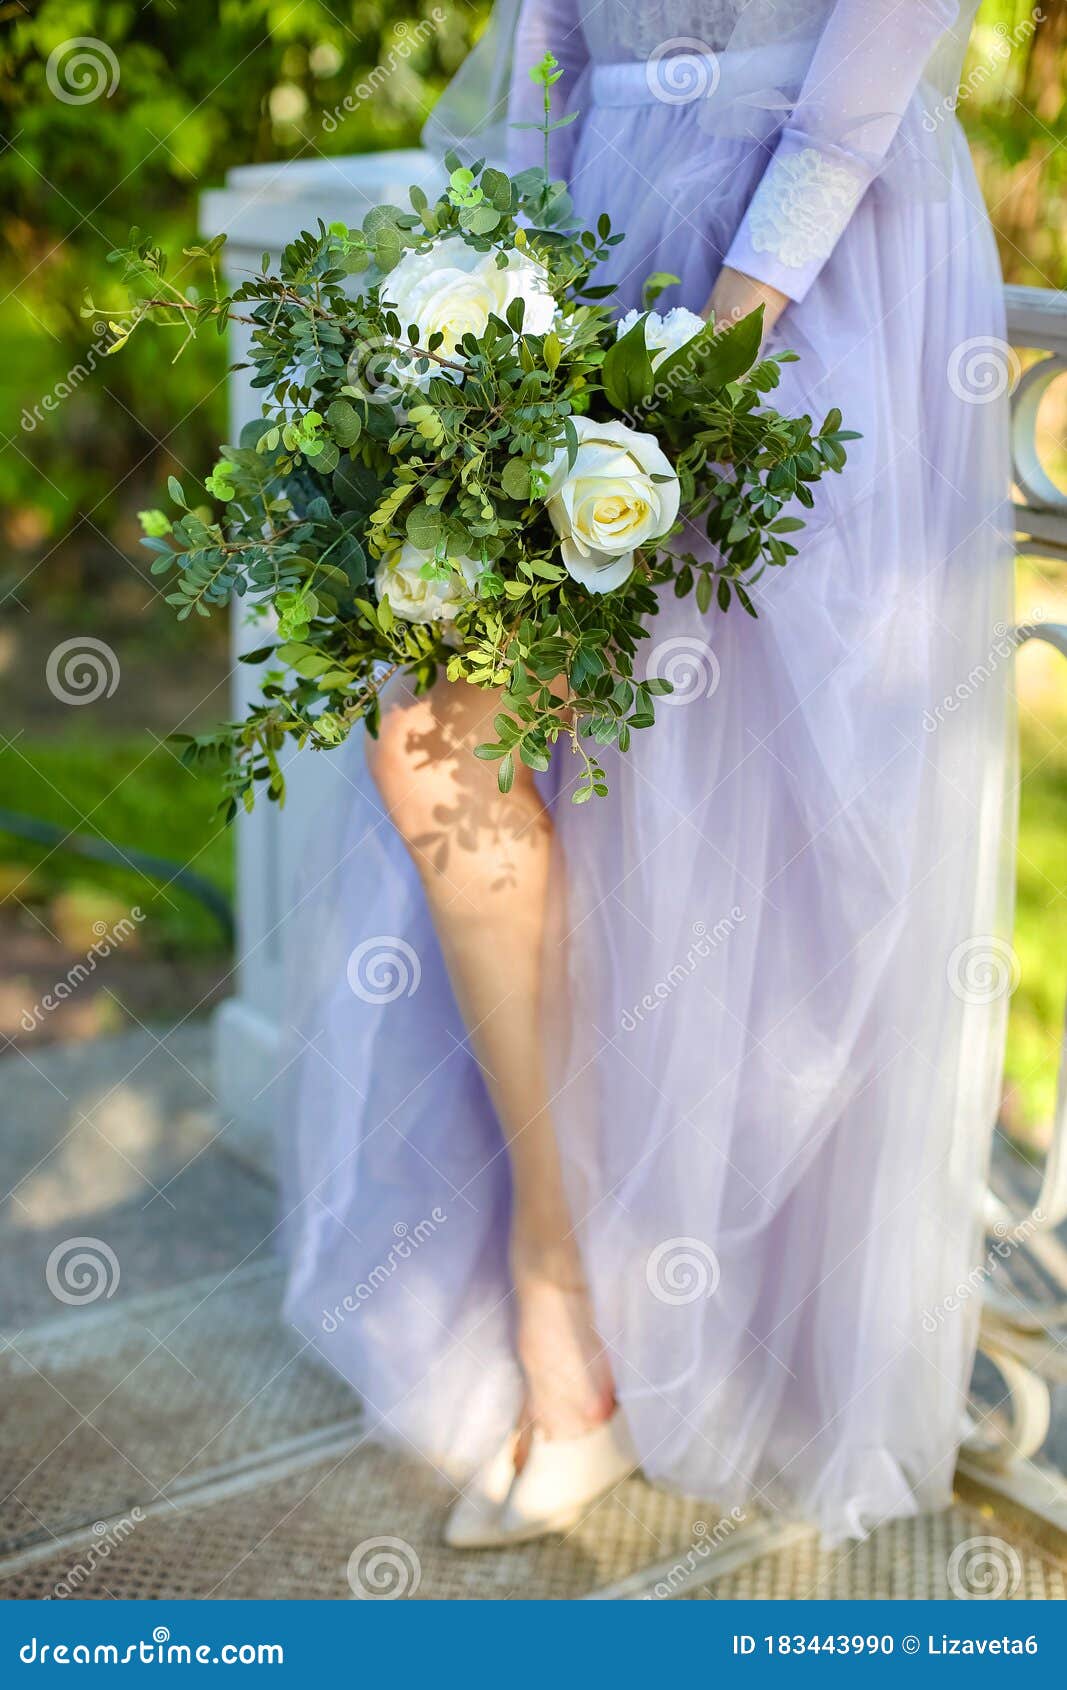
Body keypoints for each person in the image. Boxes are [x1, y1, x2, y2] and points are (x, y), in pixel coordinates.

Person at [281, 0, 1016, 1548]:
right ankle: (562, 1297)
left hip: (810, 296)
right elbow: (547, 37)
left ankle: (698, 1326)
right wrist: (512, 329)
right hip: (585, 254)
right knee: (440, 742)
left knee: (710, 811)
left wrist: (693, 381)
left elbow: (850, 97)